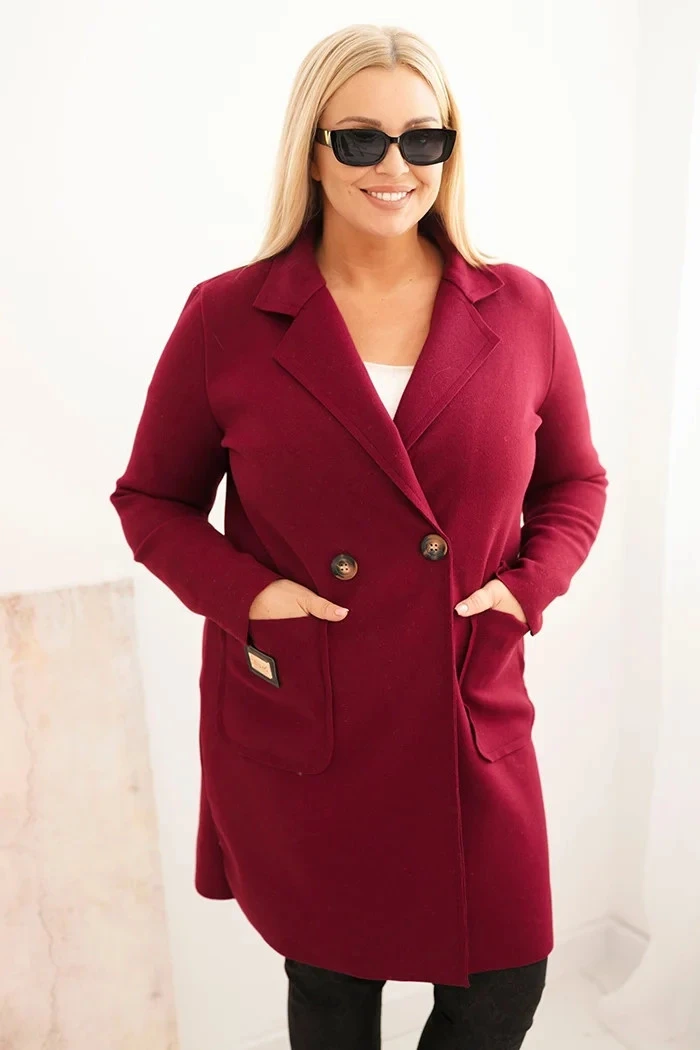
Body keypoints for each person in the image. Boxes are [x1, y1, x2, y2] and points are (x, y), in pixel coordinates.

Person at [109, 22, 608, 1049]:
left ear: (451, 150)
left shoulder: (519, 308)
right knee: (334, 995)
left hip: (467, 703)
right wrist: (252, 597)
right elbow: (150, 501)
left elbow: (574, 483)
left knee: (502, 986)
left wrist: (525, 589)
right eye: (362, 139)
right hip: (315, 710)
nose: (395, 166)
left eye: (423, 139)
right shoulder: (228, 317)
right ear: (312, 150)